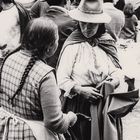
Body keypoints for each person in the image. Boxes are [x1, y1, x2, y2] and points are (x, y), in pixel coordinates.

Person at [56, 0, 133, 139]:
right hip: (79, 106)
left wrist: (113, 81)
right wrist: (79, 90)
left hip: (103, 104)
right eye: (83, 23)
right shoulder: (72, 45)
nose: (86, 28)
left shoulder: (106, 42)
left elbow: (116, 70)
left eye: (91, 24)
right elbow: (61, 79)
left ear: (100, 24)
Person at [0, 17, 77, 140]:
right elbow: (54, 122)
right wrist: (70, 118)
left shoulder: (9, 58)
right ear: (49, 47)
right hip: (30, 134)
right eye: (57, 39)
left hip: (6, 131)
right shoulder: (45, 75)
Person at [30, 0, 77, 68]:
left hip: (38, 68)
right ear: (67, 2)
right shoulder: (72, 23)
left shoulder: (36, 23)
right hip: (59, 70)